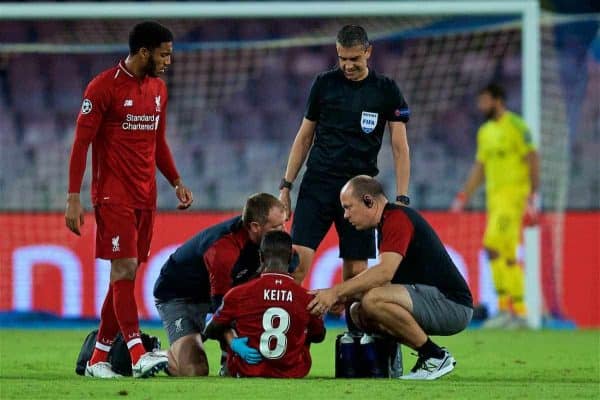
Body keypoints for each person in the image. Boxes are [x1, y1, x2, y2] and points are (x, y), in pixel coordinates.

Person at [65, 22, 193, 379]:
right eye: (164, 53)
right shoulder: (103, 87)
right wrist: (73, 197)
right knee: (123, 270)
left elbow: (158, 143)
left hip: (145, 196)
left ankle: (98, 360)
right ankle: (137, 353)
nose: (169, 60)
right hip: (112, 194)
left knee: (125, 275)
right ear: (143, 53)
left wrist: (176, 181)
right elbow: (81, 144)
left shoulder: (157, 89)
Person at [279, 25, 411, 296]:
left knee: (356, 273)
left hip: (360, 190)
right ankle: (287, 333)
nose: (348, 65)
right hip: (318, 183)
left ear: (368, 52)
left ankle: (357, 334)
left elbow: (400, 146)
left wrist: (402, 197)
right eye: (342, 59)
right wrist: (286, 186)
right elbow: (304, 137)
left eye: (354, 59)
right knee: (296, 265)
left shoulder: (386, 90)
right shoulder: (324, 83)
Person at [308, 176, 473, 380]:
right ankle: (388, 363)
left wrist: (335, 292)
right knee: (358, 312)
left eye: (348, 207)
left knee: (373, 300)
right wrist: (344, 297)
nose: (345, 215)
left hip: (452, 304)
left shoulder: (397, 219)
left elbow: (384, 272)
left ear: (369, 201)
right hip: (432, 299)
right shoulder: (387, 222)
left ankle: (435, 356)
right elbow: (386, 281)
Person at [153, 193, 288, 377]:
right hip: (179, 296)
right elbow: (221, 307)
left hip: (219, 294)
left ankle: (229, 363)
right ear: (255, 227)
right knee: (195, 371)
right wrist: (233, 342)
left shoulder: (268, 241)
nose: (284, 231)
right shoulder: (223, 250)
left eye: (284, 224)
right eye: (277, 227)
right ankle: (151, 353)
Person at [451, 83, 540, 328]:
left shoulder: (517, 126)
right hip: (494, 201)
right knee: (506, 254)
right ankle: (514, 311)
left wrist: (533, 195)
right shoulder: (485, 131)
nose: (481, 106)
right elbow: (480, 168)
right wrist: (463, 196)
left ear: (498, 100)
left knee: (492, 245)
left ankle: (512, 311)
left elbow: (532, 157)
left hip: (513, 199)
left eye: (485, 100)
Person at [205, 231, 326, 378]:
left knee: (231, 323)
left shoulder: (238, 294)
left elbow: (210, 330)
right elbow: (319, 336)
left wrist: (233, 340)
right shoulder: (306, 298)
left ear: (261, 257)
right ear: (290, 257)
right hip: (292, 372)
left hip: (246, 371)